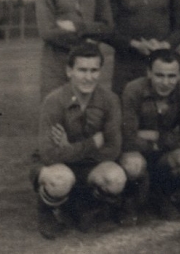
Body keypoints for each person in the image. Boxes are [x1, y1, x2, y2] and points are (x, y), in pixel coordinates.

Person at [32, 43, 125, 239]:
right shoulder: (54, 101)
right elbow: (48, 154)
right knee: (60, 180)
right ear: (69, 71)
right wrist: (92, 144)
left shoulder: (110, 100)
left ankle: (84, 206)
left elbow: (113, 149)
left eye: (94, 70)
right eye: (82, 70)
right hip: (56, 165)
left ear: (100, 71)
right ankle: (46, 212)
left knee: (115, 178)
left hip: (85, 164)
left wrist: (69, 148)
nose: (88, 77)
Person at [119, 49, 180, 223]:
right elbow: (127, 137)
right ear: (149, 73)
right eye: (159, 75)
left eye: (172, 76)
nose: (165, 82)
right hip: (137, 151)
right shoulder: (133, 89)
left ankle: (163, 195)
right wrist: (165, 140)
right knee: (133, 165)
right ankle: (131, 199)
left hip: (165, 153)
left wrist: (156, 136)